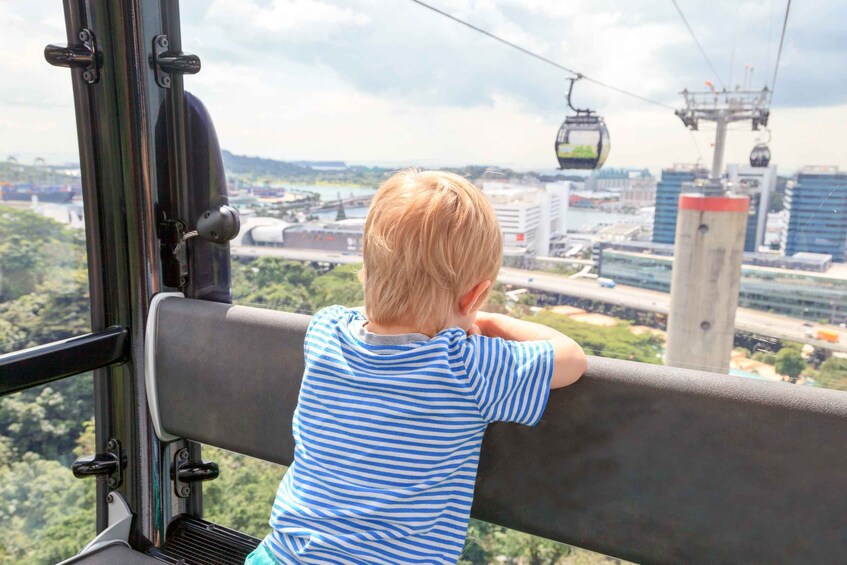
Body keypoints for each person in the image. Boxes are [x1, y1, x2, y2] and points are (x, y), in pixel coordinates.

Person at [247, 170, 587, 565]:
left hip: (280, 556)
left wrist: (393, 297)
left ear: (366, 271)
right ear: (475, 294)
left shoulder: (325, 331)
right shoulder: (465, 366)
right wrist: (490, 322)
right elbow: (571, 358)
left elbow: (369, 314)